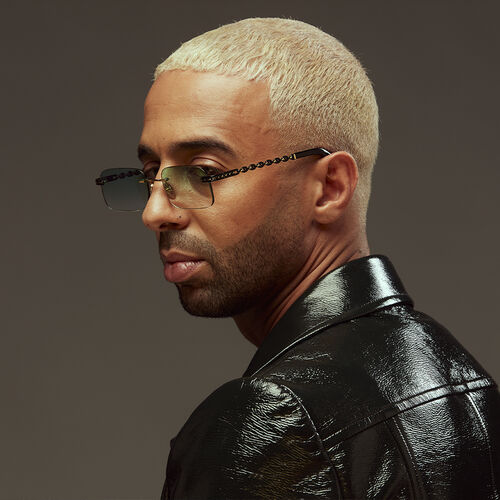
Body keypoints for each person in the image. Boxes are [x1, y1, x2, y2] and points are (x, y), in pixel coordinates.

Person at [95, 17, 500, 499]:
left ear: (329, 187)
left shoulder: (274, 417)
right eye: (150, 173)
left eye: (202, 172)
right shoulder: (462, 378)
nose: (155, 212)